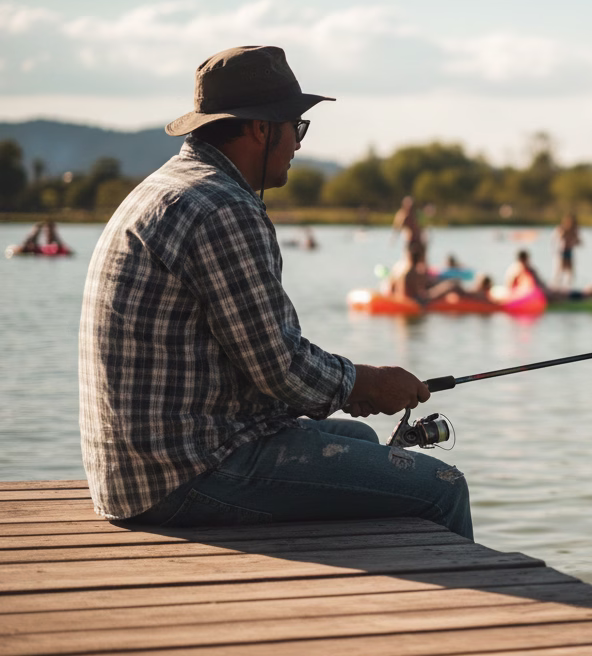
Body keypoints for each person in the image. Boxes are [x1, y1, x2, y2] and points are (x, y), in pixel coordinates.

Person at [78, 46, 471, 537]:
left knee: (359, 438)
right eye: (296, 128)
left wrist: (350, 389)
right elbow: (279, 368)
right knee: (443, 486)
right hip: (182, 473)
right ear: (261, 130)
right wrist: (366, 383)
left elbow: (261, 363)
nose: (299, 145)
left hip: (137, 468)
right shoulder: (222, 207)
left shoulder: (168, 186)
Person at [554, 212, 581, 290]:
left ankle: (567, 288)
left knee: (570, 273)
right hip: (562, 252)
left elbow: (578, 242)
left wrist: (574, 238)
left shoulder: (573, 231)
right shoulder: (562, 229)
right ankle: (556, 287)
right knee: (559, 271)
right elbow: (559, 238)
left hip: (569, 252)